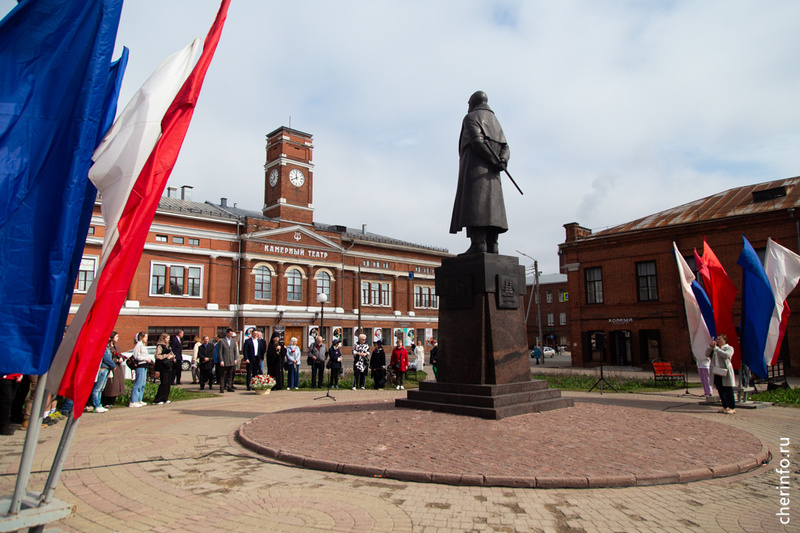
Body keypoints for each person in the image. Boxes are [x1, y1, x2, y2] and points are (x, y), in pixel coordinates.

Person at [449, 90, 510, 255]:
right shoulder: (495, 121)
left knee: (476, 205)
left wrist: (494, 160)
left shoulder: (471, 117)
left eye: (469, 104)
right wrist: (502, 161)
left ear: (473, 102)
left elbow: (477, 141)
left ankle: (478, 244)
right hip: (494, 175)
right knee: (492, 207)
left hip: (476, 172)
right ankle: (493, 245)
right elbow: (505, 147)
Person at [88, 332, 118, 412]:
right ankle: (96, 405)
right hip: (102, 369)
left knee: (101, 388)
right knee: (97, 388)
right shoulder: (102, 347)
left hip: (106, 368)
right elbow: (106, 358)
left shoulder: (106, 347)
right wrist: (113, 365)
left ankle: (99, 404)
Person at [707, 334, 736, 414]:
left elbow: (726, 355)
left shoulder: (729, 348)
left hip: (725, 371)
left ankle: (732, 407)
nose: (718, 341)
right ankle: (725, 406)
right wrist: (710, 347)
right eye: (717, 339)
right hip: (716, 371)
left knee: (728, 389)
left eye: (720, 339)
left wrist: (717, 349)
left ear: (725, 340)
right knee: (720, 390)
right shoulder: (715, 349)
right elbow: (706, 354)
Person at [102, 334, 126, 407]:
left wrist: (122, 358)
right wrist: (116, 360)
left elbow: (120, 355)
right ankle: (106, 402)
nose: (118, 338)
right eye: (116, 336)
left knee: (116, 386)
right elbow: (107, 358)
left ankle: (112, 401)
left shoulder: (116, 348)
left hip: (117, 368)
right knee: (110, 386)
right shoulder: (108, 348)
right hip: (111, 368)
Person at [130, 332, 153, 407]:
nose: (146, 338)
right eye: (145, 337)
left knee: (142, 383)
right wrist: (146, 359)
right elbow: (136, 356)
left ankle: (139, 399)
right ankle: (133, 401)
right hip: (140, 365)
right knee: (138, 383)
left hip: (144, 365)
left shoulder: (143, 345)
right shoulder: (138, 346)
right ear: (141, 337)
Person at [153, 333, 175, 405]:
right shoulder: (160, 346)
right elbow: (157, 356)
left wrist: (172, 357)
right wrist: (166, 356)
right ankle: (157, 399)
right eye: (167, 338)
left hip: (168, 366)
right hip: (162, 366)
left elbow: (172, 353)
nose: (168, 340)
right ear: (163, 339)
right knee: (164, 382)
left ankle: (165, 398)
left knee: (168, 383)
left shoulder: (168, 347)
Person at [218, 328, 239, 393]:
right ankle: (221, 387)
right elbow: (220, 352)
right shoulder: (222, 341)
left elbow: (235, 351)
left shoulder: (233, 341)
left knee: (230, 375)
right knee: (223, 375)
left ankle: (229, 386)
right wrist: (221, 361)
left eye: (232, 334)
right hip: (224, 361)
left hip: (231, 361)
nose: (231, 335)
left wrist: (235, 359)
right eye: (230, 333)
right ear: (227, 333)